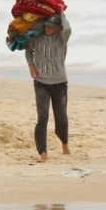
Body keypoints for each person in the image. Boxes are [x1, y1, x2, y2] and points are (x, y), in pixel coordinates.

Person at [24, 13, 72, 162]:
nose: (48, 29)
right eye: (46, 26)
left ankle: (64, 143)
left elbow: (68, 29)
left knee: (61, 118)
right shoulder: (37, 37)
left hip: (59, 83)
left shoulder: (62, 39)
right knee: (42, 117)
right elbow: (28, 50)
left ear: (58, 28)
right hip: (41, 83)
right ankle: (42, 152)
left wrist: (62, 14)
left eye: (52, 27)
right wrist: (31, 65)